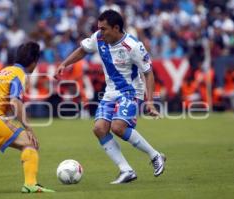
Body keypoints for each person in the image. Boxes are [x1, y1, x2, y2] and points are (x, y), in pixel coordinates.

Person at [54, 10, 166, 184]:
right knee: (99, 129)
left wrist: (149, 102)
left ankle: (155, 156)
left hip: (130, 91)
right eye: (99, 28)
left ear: (116, 28)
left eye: (104, 28)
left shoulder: (133, 46)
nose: (100, 31)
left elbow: (148, 73)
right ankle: (126, 170)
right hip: (110, 92)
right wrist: (64, 64)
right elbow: (83, 50)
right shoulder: (99, 38)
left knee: (118, 127)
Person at [0, 42, 55, 193]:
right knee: (29, 142)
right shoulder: (19, 75)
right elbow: (15, 102)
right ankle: (30, 184)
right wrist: (29, 129)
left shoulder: (3, 72)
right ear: (34, 62)